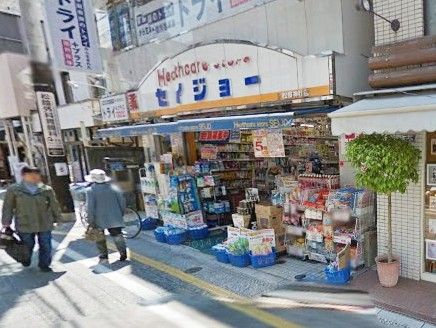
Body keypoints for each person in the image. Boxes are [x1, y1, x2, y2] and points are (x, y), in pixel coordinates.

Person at [1, 167, 62, 272]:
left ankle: (44, 265)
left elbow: (54, 205)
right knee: (28, 245)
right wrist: (6, 222)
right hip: (24, 223)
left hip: (44, 222)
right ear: (23, 176)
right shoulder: (14, 189)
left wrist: (58, 218)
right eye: (31, 175)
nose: (35, 177)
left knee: (46, 244)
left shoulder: (46, 189)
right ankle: (25, 258)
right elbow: (8, 207)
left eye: (37, 175)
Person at [85, 169, 127, 262]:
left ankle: (104, 255)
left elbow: (90, 207)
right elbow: (122, 202)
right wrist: (120, 213)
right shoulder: (114, 188)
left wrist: (90, 220)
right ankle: (123, 252)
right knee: (117, 235)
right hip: (115, 216)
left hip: (98, 218)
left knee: (100, 237)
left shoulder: (90, 190)